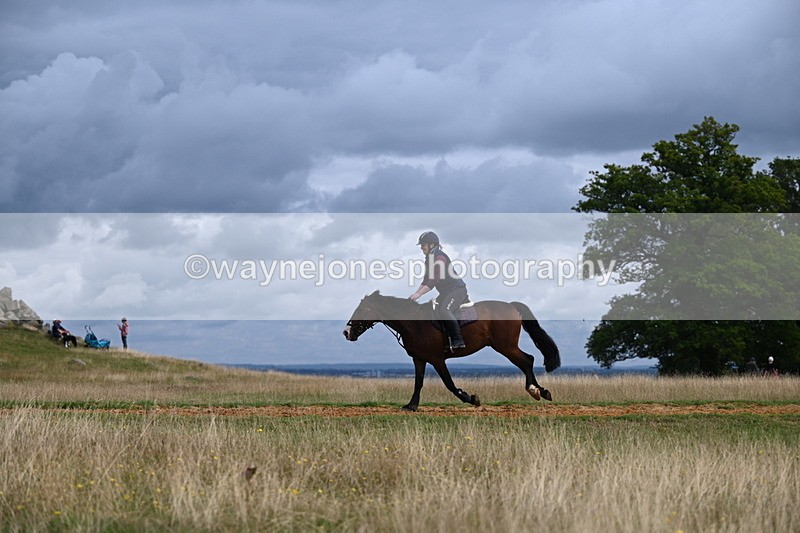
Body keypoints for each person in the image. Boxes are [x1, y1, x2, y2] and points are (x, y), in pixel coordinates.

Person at [409, 231, 468, 350]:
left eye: (423, 245)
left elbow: (433, 281)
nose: (421, 247)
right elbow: (426, 279)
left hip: (457, 290)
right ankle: (447, 340)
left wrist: (419, 294)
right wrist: (415, 293)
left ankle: (458, 340)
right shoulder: (429, 258)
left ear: (431, 245)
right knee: (434, 311)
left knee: (444, 311)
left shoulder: (440, 258)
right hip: (446, 292)